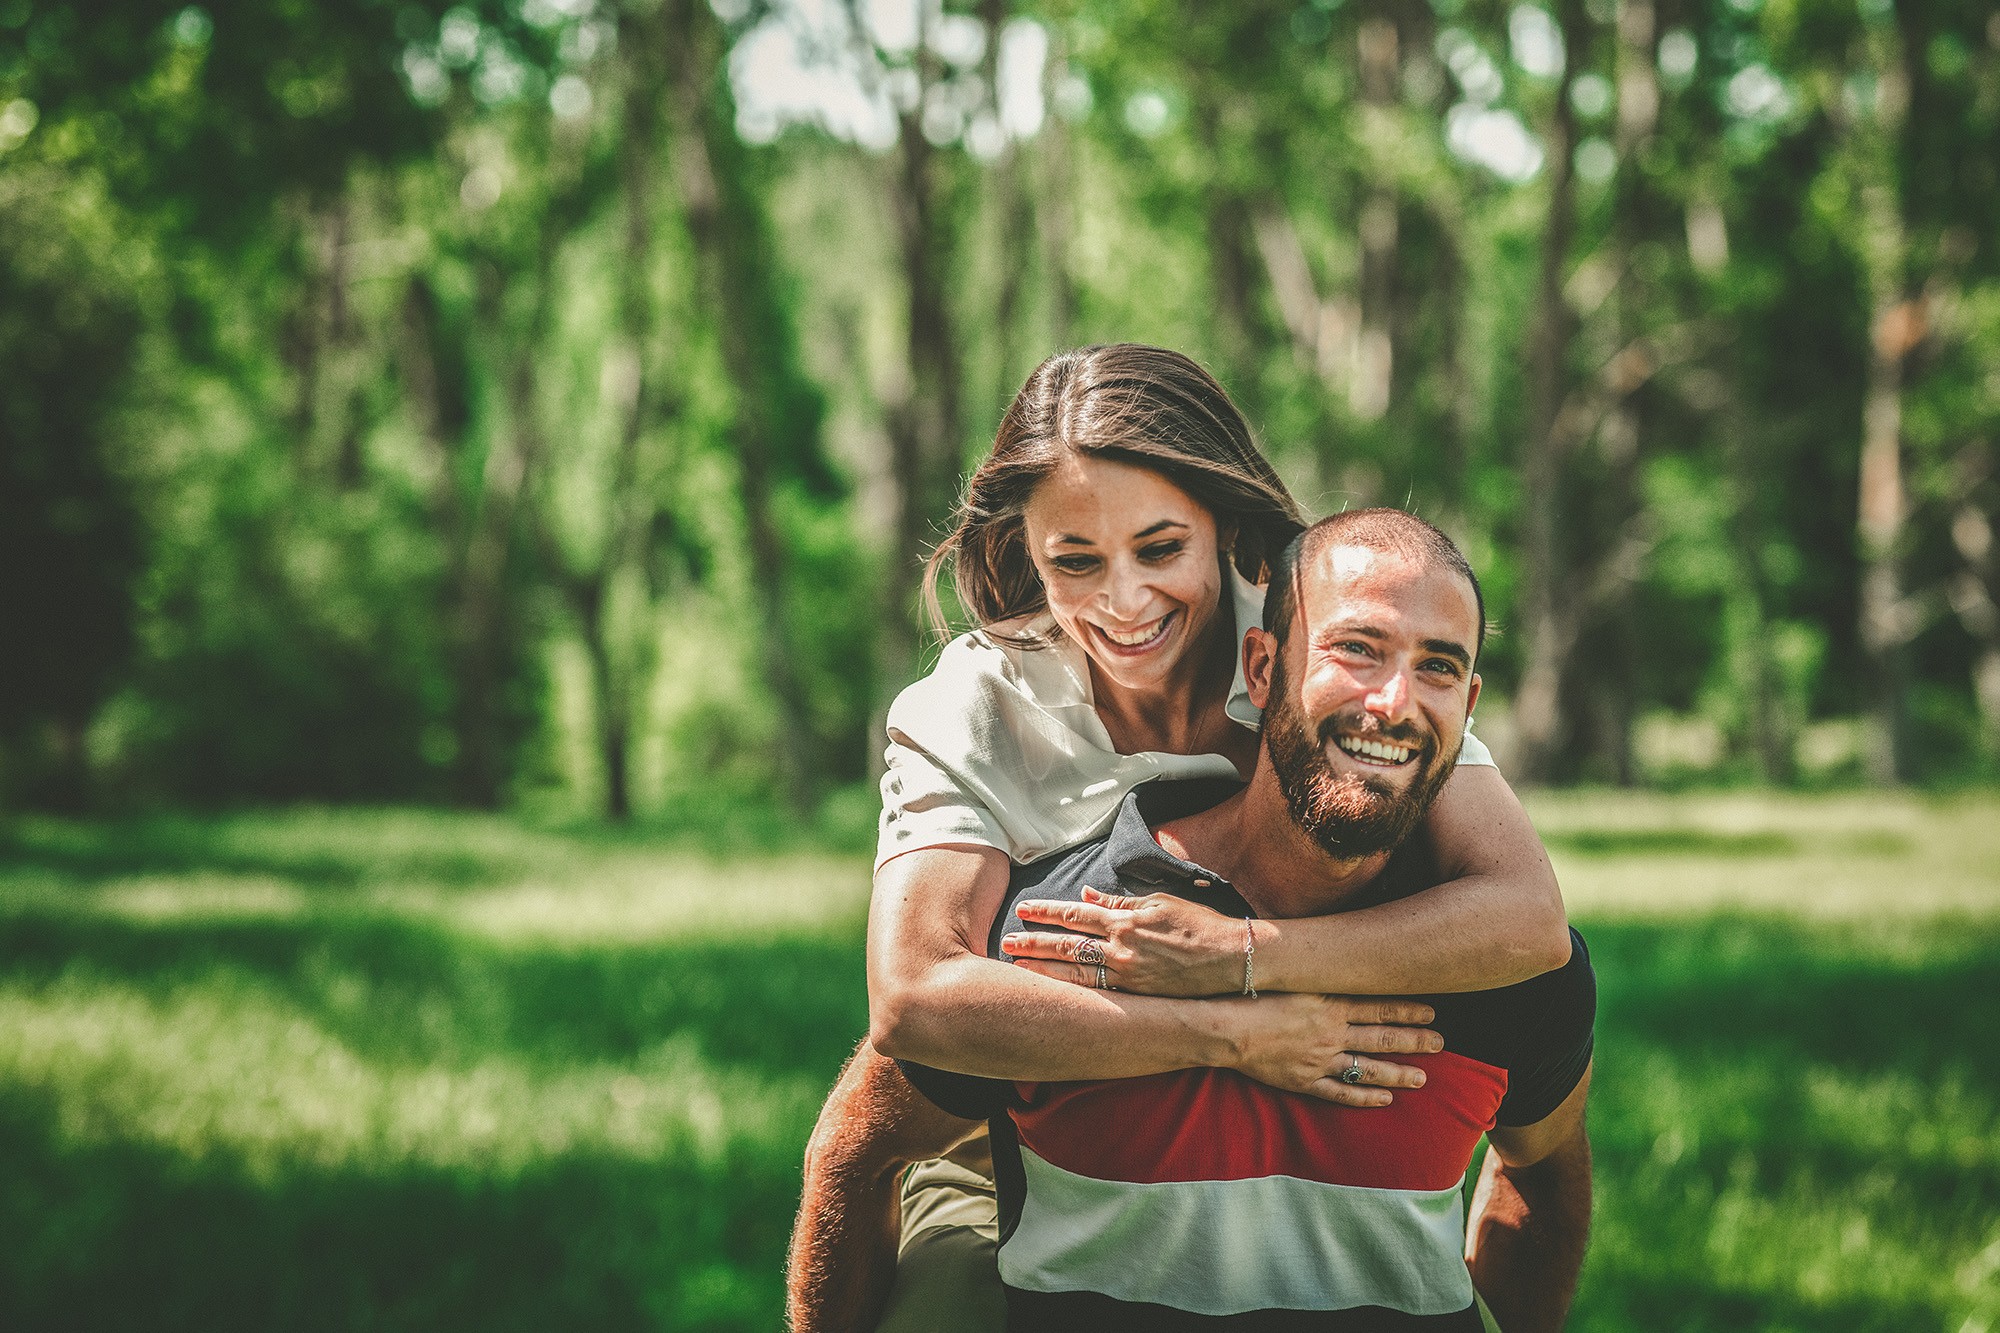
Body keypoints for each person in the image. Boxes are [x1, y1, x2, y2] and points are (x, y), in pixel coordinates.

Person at [787, 346, 1572, 1332]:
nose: (1122, 601)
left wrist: (1246, 962)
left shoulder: (1316, 645)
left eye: (1160, 550)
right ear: (1024, 551)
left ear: (1222, 528)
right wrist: (1229, 1034)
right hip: (1004, 1106)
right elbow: (913, 997)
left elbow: (1523, 913)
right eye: (1074, 560)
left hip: (1304, 1057)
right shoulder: (976, 702)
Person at [897, 509, 1596, 1329]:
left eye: (1437, 667)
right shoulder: (1066, 928)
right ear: (1260, 669)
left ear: (1469, 703)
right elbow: (858, 1155)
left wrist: (1241, 957)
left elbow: (1543, 1180)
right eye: (1358, 649)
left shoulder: (1497, 970)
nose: (1395, 701)